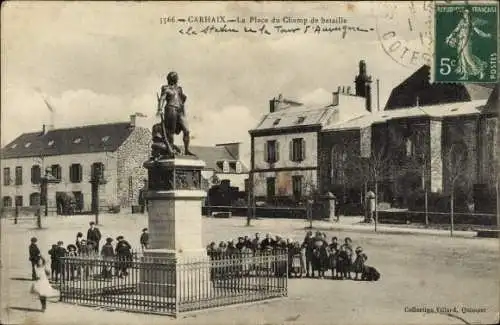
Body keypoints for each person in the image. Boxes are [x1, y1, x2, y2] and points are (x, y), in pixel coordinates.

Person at [157, 71, 193, 155]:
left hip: (180, 110)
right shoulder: (166, 88)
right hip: (170, 109)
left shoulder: (179, 88)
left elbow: (183, 98)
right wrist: (159, 109)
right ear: (172, 78)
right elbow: (162, 98)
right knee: (170, 131)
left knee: (186, 130)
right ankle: (171, 149)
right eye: (176, 77)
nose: (177, 79)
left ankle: (187, 150)